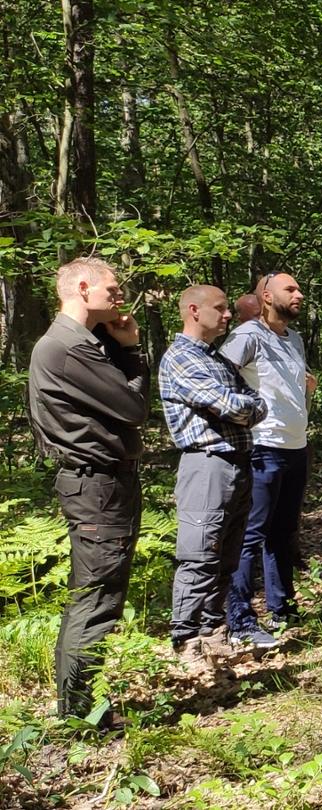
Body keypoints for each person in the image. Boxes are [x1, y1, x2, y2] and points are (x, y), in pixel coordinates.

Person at [28, 257, 148, 719]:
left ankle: (78, 705)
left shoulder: (82, 343)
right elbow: (133, 406)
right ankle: (77, 711)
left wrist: (117, 346)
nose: (120, 296)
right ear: (83, 287)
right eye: (113, 289)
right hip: (95, 485)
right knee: (96, 595)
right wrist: (133, 349)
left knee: (102, 591)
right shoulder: (65, 347)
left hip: (103, 481)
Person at [160, 285, 265, 671]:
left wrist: (246, 406)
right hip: (206, 464)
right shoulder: (181, 359)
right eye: (219, 309)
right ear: (193, 310)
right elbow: (230, 405)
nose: (227, 315)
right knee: (200, 552)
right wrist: (245, 406)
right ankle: (186, 641)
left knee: (228, 552)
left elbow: (255, 403)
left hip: (237, 462)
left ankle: (213, 631)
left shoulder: (217, 360)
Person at [219, 270, 314, 646]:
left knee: (283, 531)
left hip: (296, 446)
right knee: (249, 534)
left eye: (298, 286)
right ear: (267, 296)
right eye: (290, 288)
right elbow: (221, 379)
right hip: (261, 447)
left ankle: (283, 606)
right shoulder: (246, 336)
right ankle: (240, 620)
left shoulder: (294, 339)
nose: (299, 294)